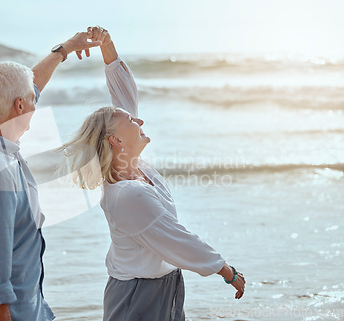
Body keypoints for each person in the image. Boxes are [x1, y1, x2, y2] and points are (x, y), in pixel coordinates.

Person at [59, 26, 246, 321]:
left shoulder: (136, 167)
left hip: (165, 284)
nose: (140, 119)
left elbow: (124, 96)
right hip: (137, 294)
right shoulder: (128, 194)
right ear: (116, 141)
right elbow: (175, 239)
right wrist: (224, 269)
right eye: (132, 120)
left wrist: (107, 46)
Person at [0, 31, 102, 321]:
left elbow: (28, 84)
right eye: (33, 100)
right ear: (20, 106)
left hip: (23, 302)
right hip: (8, 312)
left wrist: (65, 50)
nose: (37, 104)